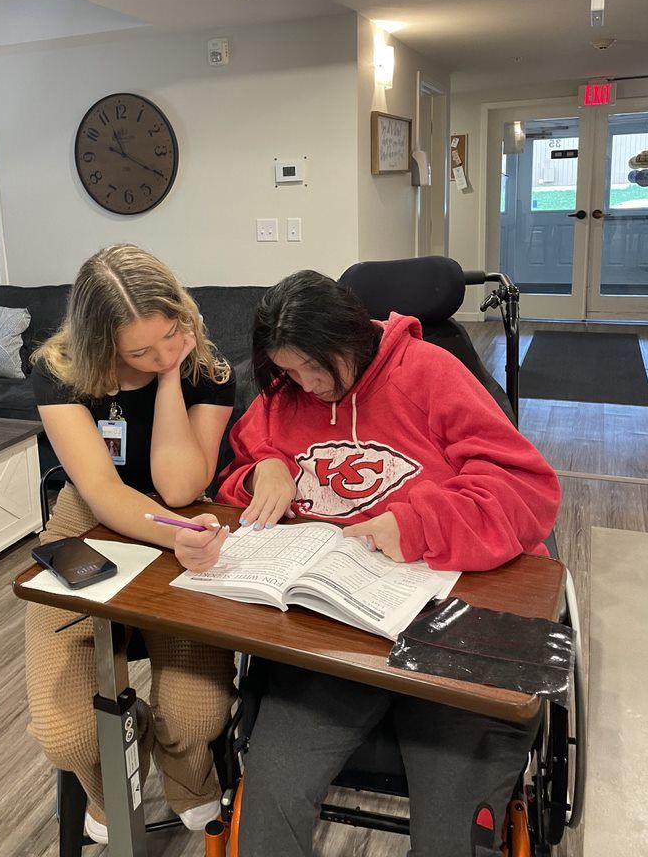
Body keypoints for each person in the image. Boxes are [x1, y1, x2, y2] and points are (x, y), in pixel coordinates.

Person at [216, 269, 561, 857]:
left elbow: (528, 490)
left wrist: (417, 524)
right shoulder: (285, 394)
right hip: (336, 629)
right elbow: (245, 465)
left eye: (316, 367)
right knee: (268, 801)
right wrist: (263, 467)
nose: (308, 385)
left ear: (351, 336)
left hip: (453, 628)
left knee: (450, 832)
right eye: (290, 372)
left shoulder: (428, 373)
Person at [25, 244, 237, 845]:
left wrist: (168, 377)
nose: (162, 354)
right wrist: (178, 536)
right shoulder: (61, 371)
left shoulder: (207, 371)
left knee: (198, 716)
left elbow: (177, 488)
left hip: (184, 518)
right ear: (100, 345)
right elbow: (103, 492)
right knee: (66, 735)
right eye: (139, 352)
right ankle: (116, 767)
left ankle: (189, 775)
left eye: (172, 335)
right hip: (89, 521)